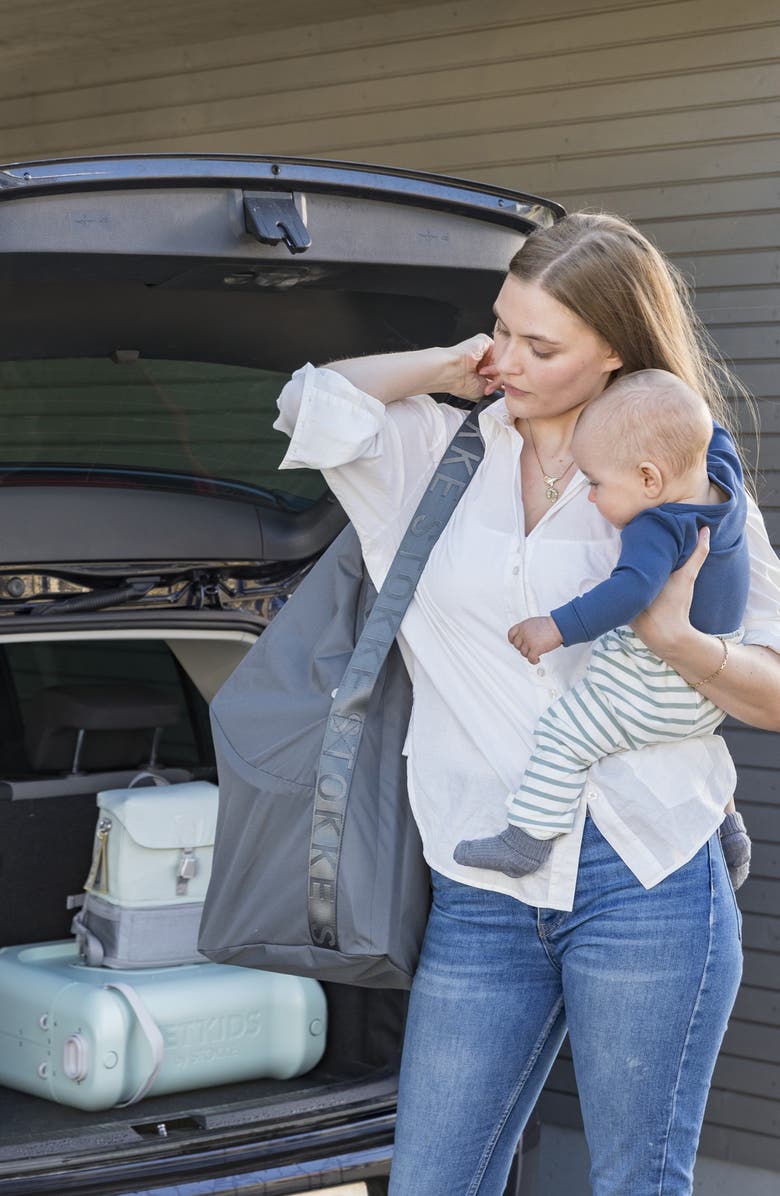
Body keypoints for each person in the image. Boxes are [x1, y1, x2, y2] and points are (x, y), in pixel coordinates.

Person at [273, 211, 780, 1195]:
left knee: (639, 1179)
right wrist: (437, 363)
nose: (506, 356)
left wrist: (677, 639)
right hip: (483, 880)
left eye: (539, 344)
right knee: (432, 1181)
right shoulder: (428, 452)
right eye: (502, 325)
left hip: (645, 867)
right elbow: (310, 404)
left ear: (614, 354)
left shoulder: (682, 475)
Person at [454, 369, 750, 880]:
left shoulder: (656, 525)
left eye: (596, 483)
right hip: (711, 675)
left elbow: (630, 592)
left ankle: (527, 838)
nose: (590, 497)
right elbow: (710, 433)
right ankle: (727, 828)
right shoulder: (724, 475)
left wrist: (555, 627)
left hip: (655, 680)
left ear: (649, 479)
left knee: (566, 732)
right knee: (691, 738)